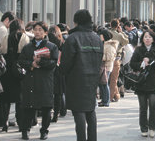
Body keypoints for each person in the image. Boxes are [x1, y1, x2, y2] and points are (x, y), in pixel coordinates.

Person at [60, 9, 103, 141]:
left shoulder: (72, 38)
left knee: (79, 112)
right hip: (92, 80)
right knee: (91, 111)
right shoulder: (97, 39)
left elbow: (66, 62)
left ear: (76, 22)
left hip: (76, 80)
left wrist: (62, 73)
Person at [18, 21, 58, 140]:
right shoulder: (27, 47)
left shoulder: (51, 47)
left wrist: (40, 61)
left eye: (40, 30)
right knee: (28, 107)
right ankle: (25, 130)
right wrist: (32, 64)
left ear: (45, 32)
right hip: (30, 80)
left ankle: (44, 131)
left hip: (45, 81)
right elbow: (20, 61)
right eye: (35, 29)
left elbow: (53, 63)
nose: (37, 32)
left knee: (46, 108)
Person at [0, 19, 30, 132]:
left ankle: (5, 123)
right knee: (20, 100)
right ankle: (21, 124)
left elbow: (1, 52)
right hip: (19, 73)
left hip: (7, 73)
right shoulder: (25, 38)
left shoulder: (6, 38)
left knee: (6, 100)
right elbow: (28, 54)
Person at [130, 30, 155, 138]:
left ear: (153, 39)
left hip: (153, 81)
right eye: (145, 37)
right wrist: (142, 63)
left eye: (149, 37)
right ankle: (143, 128)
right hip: (141, 82)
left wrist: (150, 61)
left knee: (153, 106)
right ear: (142, 39)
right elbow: (132, 64)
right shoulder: (138, 50)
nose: (147, 39)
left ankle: (152, 127)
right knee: (143, 107)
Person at [48, 25, 66, 122]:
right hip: (60, 70)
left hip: (50, 68)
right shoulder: (62, 43)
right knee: (58, 93)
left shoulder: (48, 42)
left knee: (50, 92)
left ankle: (50, 112)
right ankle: (57, 113)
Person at [97, 28, 118, 107]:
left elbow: (110, 57)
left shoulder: (109, 45)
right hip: (103, 66)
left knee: (105, 84)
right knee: (102, 84)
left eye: (101, 35)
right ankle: (104, 100)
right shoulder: (104, 43)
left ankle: (106, 101)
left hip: (107, 66)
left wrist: (100, 56)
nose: (100, 36)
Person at [109, 19, 129, 102]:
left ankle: (116, 95)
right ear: (118, 26)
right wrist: (122, 32)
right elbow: (126, 41)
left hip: (107, 57)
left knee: (109, 78)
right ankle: (110, 97)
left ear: (110, 24)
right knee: (114, 78)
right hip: (116, 57)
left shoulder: (107, 33)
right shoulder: (119, 35)